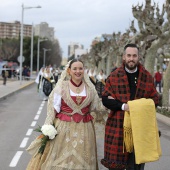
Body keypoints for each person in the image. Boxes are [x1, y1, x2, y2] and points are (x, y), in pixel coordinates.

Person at [26, 59, 106, 170]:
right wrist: (48, 126)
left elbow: (96, 108)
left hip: (85, 131)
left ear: (84, 70)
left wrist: (110, 103)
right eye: (75, 69)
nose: (78, 71)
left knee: (83, 162)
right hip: (63, 130)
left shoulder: (90, 89)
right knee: (61, 161)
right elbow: (53, 109)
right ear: (69, 71)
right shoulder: (61, 87)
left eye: (80, 68)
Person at [101, 43, 160, 170]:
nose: (131, 59)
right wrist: (122, 106)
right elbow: (105, 99)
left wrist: (134, 106)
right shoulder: (114, 76)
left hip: (140, 128)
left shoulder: (147, 77)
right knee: (116, 166)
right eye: (129, 55)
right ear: (124, 57)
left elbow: (155, 99)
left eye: (134, 56)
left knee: (136, 166)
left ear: (139, 57)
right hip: (117, 126)